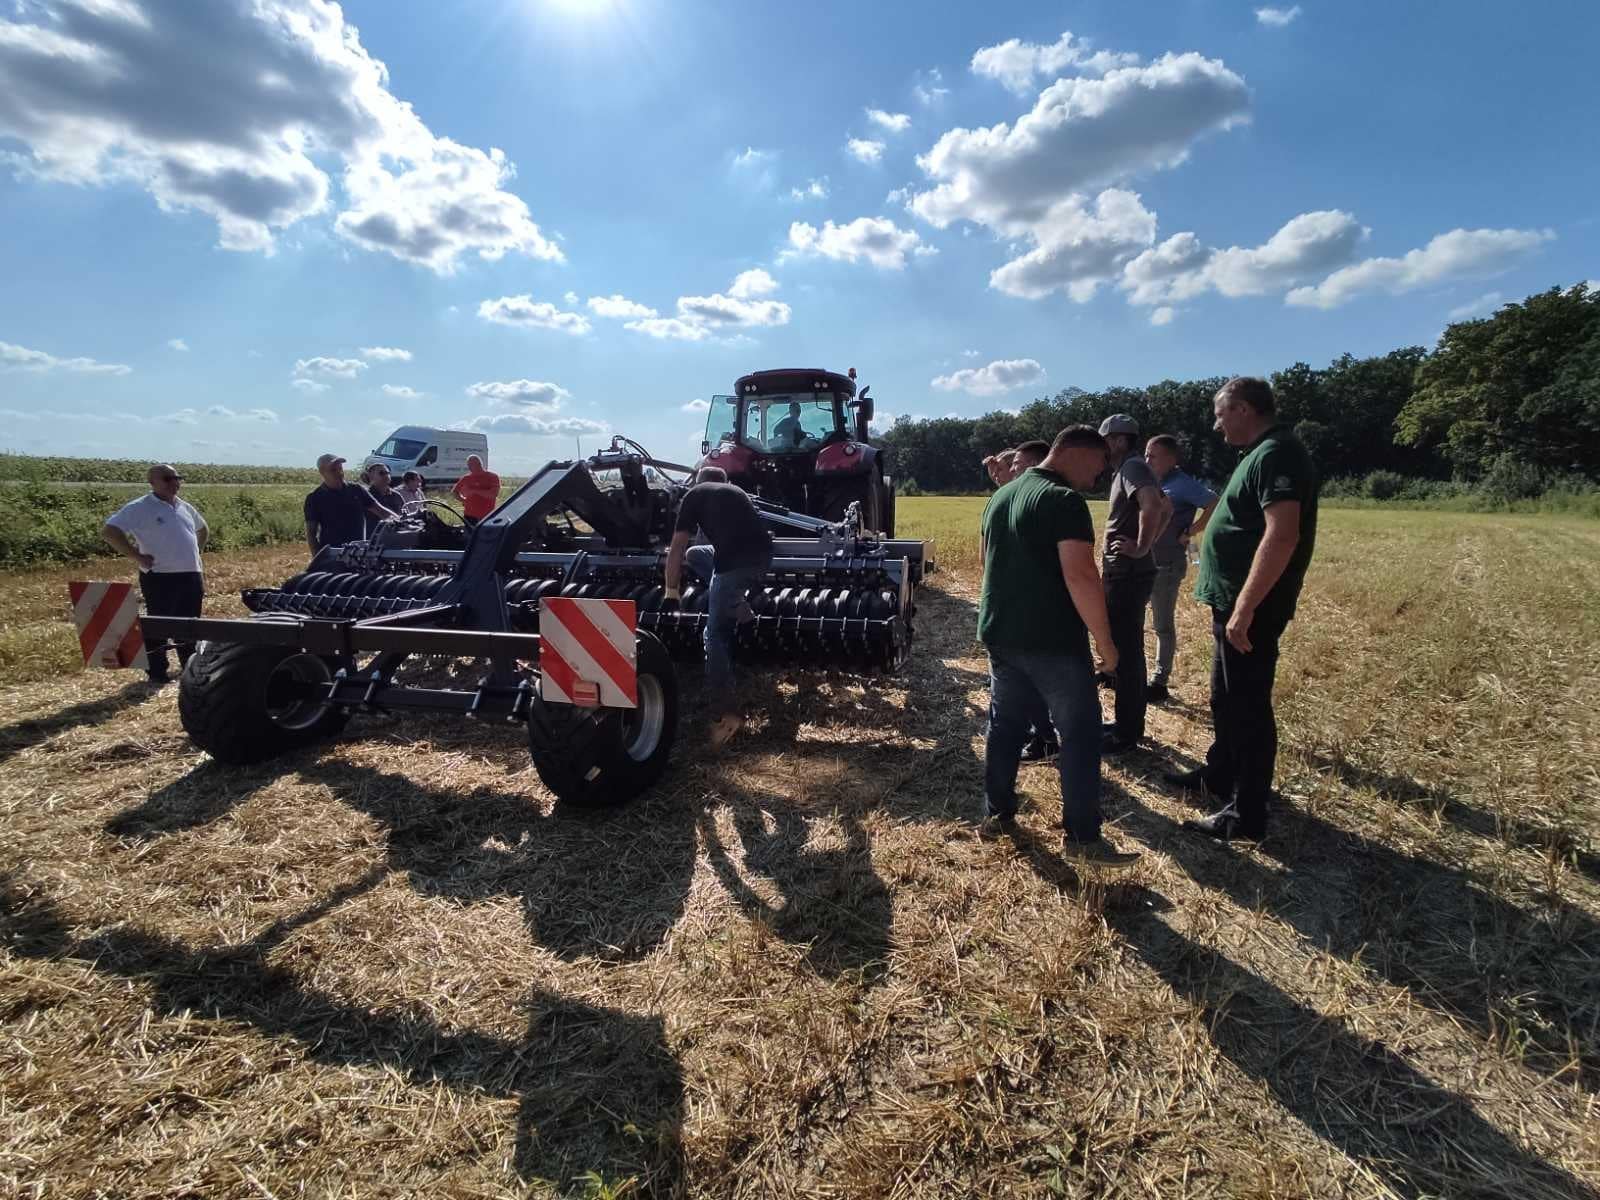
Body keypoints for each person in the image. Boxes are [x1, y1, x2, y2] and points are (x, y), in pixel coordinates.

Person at [976, 425, 1140, 870]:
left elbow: (985, 563)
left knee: (1005, 725)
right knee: (1082, 733)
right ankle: (1084, 838)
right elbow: (1081, 576)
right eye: (1100, 464)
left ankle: (997, 814)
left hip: (1000, 633)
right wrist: (1107, 646)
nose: (1101, 475)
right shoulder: (1064, 501)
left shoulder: (1001, 497)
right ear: (1078, 454)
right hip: (1052, 641)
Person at [1170, 376, 1319, 842]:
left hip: (1249, 608)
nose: (1216, 425)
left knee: (1249, 707)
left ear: (1243, 409)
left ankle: (1247, 814)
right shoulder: (1258, 453)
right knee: (1226, 696)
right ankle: (1220, 775)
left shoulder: (1278, 453)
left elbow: (1282, 534)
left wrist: (1246, 607)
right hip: (1233, 603)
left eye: (1220, 413)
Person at [663, 466, 775, 749]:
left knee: (713, 635)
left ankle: (727, 714)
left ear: (698, 483)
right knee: (696, 554)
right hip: (763, 559)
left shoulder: (692, 496)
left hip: (734, 565)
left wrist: (672, 591)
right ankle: (742, 611)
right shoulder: (736, 492)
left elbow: (675, 548)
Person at [1097, 414, 1171, 753]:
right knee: (1127, 651)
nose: (1100, 447)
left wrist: (1141, 547)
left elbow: (1155, 505)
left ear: (1117, 440)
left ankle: (1127, 733)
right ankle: (1127, 724)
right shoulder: (1129, 469)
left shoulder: (1132, 468)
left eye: (1103, 440)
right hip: (1128, 572)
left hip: (1127, 574)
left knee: (1127, 653)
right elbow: (1166, 508)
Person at [101, 464, 207, 685]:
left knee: (190, 624)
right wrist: (136, 556)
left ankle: (189, 666)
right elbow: (110, 531)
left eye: (177, 478)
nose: (174, 482)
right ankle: (157, 673)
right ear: (152, 483)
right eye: (168, 478)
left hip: (191, 574)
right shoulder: (140, 507)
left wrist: (196, 553)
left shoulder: (184, 506)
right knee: (158, 626)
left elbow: (203, 529)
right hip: (160, 576)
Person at [1143, 435, 1219, 703]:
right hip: (1145, 562)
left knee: (1162, 625)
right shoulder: (1153, 483)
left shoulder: (1182, 484)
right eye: (1146, 454)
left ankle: (1159, 681)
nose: (1147, 460)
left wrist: (1193, 530)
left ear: (1171, 459)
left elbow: (1214, 502)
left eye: (1153, 455)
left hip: (1166, 565)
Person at [304, 453, 392, 555]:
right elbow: (311, 534)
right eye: (333, 470)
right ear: (322, 472)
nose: (339, 473)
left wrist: (402, 522)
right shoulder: (315, 498)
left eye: (340, 468)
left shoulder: (356, 490)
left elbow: (381, 511)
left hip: (358, 553)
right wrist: (318, 559)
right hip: (333, 555)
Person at [452, 454, 501, 526]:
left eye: (471, 464)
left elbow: (493, 494)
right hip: (469, 515)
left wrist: (474, 491)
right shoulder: (466, 478)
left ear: (479, 464)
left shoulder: (492, 477)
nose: (469, 467)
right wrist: (464, 500)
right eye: (469, 465)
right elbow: (454, 492)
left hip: (487, 515)